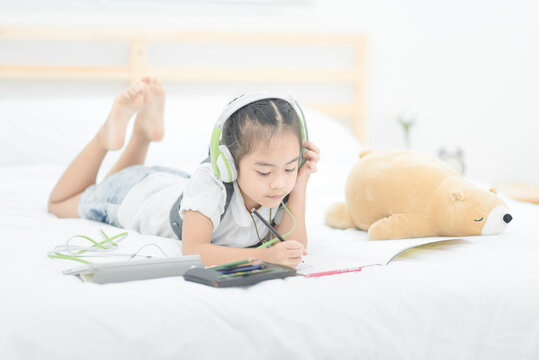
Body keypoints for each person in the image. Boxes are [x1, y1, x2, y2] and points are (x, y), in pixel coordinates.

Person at [48, 77, 320, 268]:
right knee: (59, 203)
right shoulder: (211, 185)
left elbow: (295, 246)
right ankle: (104, 139)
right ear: (227, 162)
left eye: (289, 167)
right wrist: (267, 258)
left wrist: (299, 184)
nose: (279, 183)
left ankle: (142, 134)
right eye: (263, 172)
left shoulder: (282, 185)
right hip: (133, 198)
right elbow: (194, 249)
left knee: (118, 178)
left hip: (167, 184)